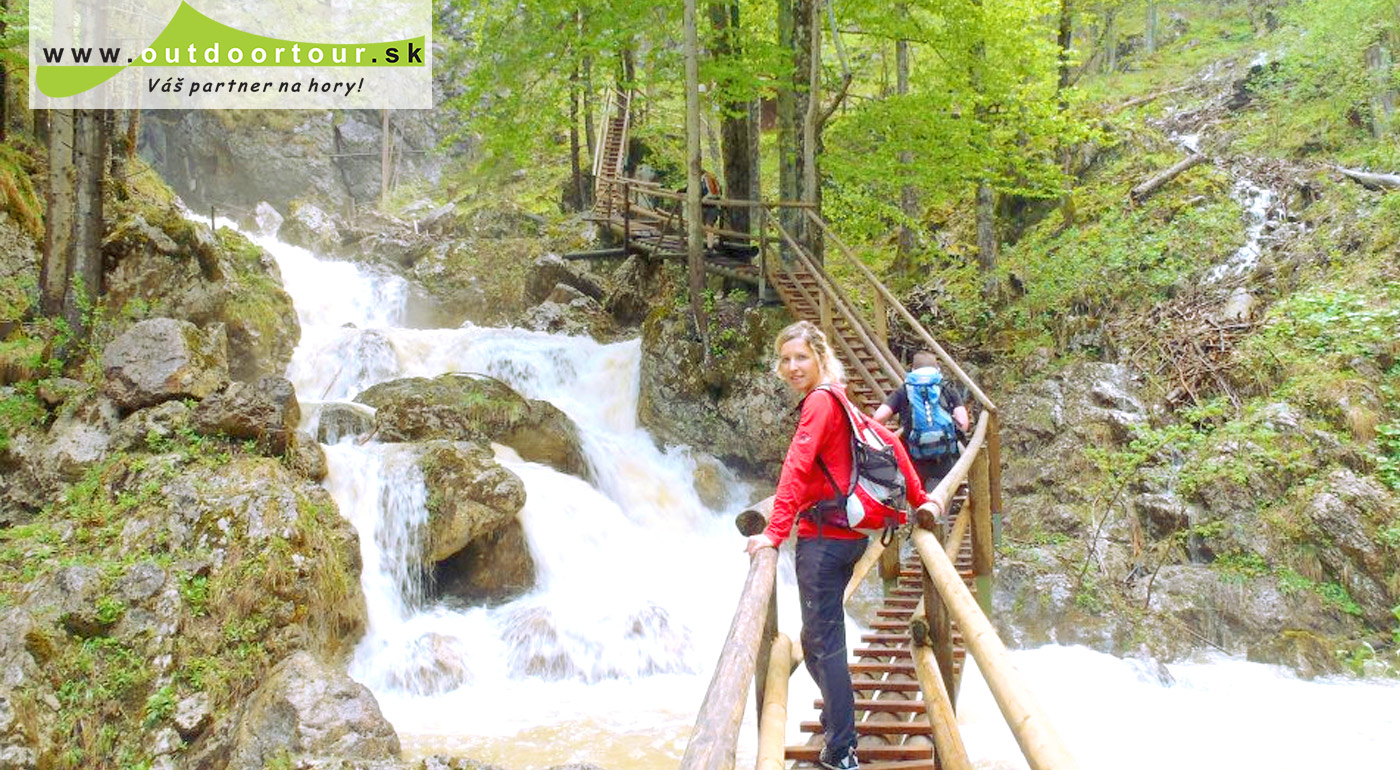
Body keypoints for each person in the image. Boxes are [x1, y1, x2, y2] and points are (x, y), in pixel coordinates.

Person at [746, 321, 929, 770]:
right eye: (785, 359)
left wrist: (774, 532)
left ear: (820, 358)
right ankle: (839, 714)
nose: (792, 367)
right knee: (816, 639)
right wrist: (921, 496)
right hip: (846, 539)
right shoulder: (838, 398)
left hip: (824, 541)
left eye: (801, 357)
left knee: (824, 644)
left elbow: (796, 465)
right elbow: (888, 441)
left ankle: (842, 748)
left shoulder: (820, 403)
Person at [872, 351, 971, 494]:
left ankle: (917, 514)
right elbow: (963, 423)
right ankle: (939, 515)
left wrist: (892, 437)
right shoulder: (946, 387)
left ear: (912, 370)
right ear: (937, 369)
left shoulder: (905, 390)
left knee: (916, 497)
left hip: (913, 456)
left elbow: (878, 418)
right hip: (944, 457)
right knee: (939, 500)